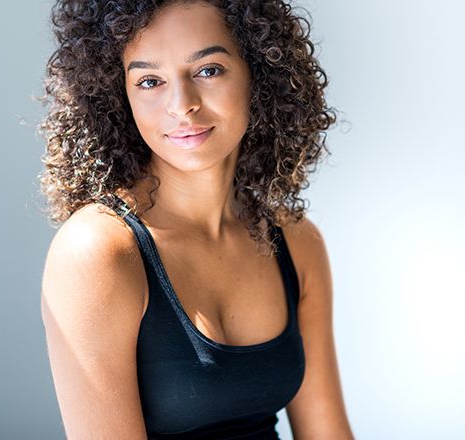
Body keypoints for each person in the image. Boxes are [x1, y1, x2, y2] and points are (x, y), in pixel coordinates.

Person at [39, 0, 353, 438]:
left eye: (207, 70)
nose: (181, 105)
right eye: (149, 81)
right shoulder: (97, 254)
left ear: (258, 72)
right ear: (118, 96)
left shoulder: (294, 241)